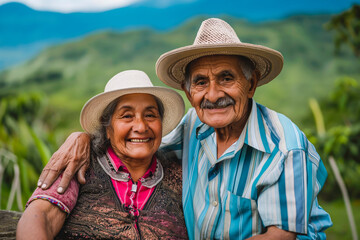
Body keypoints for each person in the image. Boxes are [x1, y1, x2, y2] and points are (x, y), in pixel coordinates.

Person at [36, 18, 332, 239]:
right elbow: (139, 140)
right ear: (188, 91)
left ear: (251, 84)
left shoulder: (285, 147)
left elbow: (279, 238)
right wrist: (82, 139)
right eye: (201, 82)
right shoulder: (193, 127)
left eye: (226, 78)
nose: (213, 95)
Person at [16, 70, 187, 239]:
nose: (141, 127)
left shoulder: (179, 175)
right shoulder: (80, 163)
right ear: (108, 129)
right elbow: (41, 217)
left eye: (150, 115)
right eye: (127, 116)